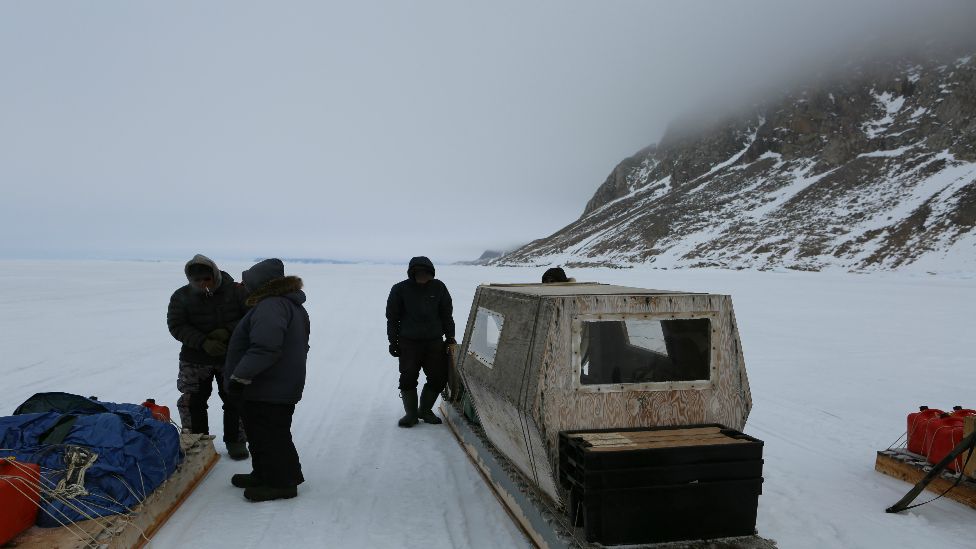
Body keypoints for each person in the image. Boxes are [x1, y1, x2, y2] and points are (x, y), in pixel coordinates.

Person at [224, 258, 309, 502]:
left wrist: (240, 377)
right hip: (273, 384)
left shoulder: (271, 306)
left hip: (268, 386)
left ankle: (282, 483)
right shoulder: (285, 305)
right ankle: (264, 474)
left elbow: (265, 348)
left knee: (272, 434)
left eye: (247, 282)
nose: (243, 286)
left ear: (260, 284)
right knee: (261, 433)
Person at [167, 254, 250, 460]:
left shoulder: (236, 291)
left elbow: (249, 317)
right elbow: (177, 326)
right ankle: (197, 443)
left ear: (215, 275)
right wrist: (203, 342)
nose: (203, 283)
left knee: (235, 399)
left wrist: (227, 332)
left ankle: (236, 441)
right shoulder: (181, 296)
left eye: (206, 278)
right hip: (194, 359)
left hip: (230, 357)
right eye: (197, 280)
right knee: (192, 402)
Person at [386, 256, 456, 428]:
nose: (423, 277)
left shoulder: (439, 287)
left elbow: (446, 314)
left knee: (438, 378)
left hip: (434, 342)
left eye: (426, 273)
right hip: (408, 343)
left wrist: (450, 337)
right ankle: (411, 415)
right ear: (413, 273)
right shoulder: (400, 289)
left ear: (431, 272)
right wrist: (393, 341)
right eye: (419, 273)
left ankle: (424, 410)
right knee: (408, 377)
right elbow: (392, 318)